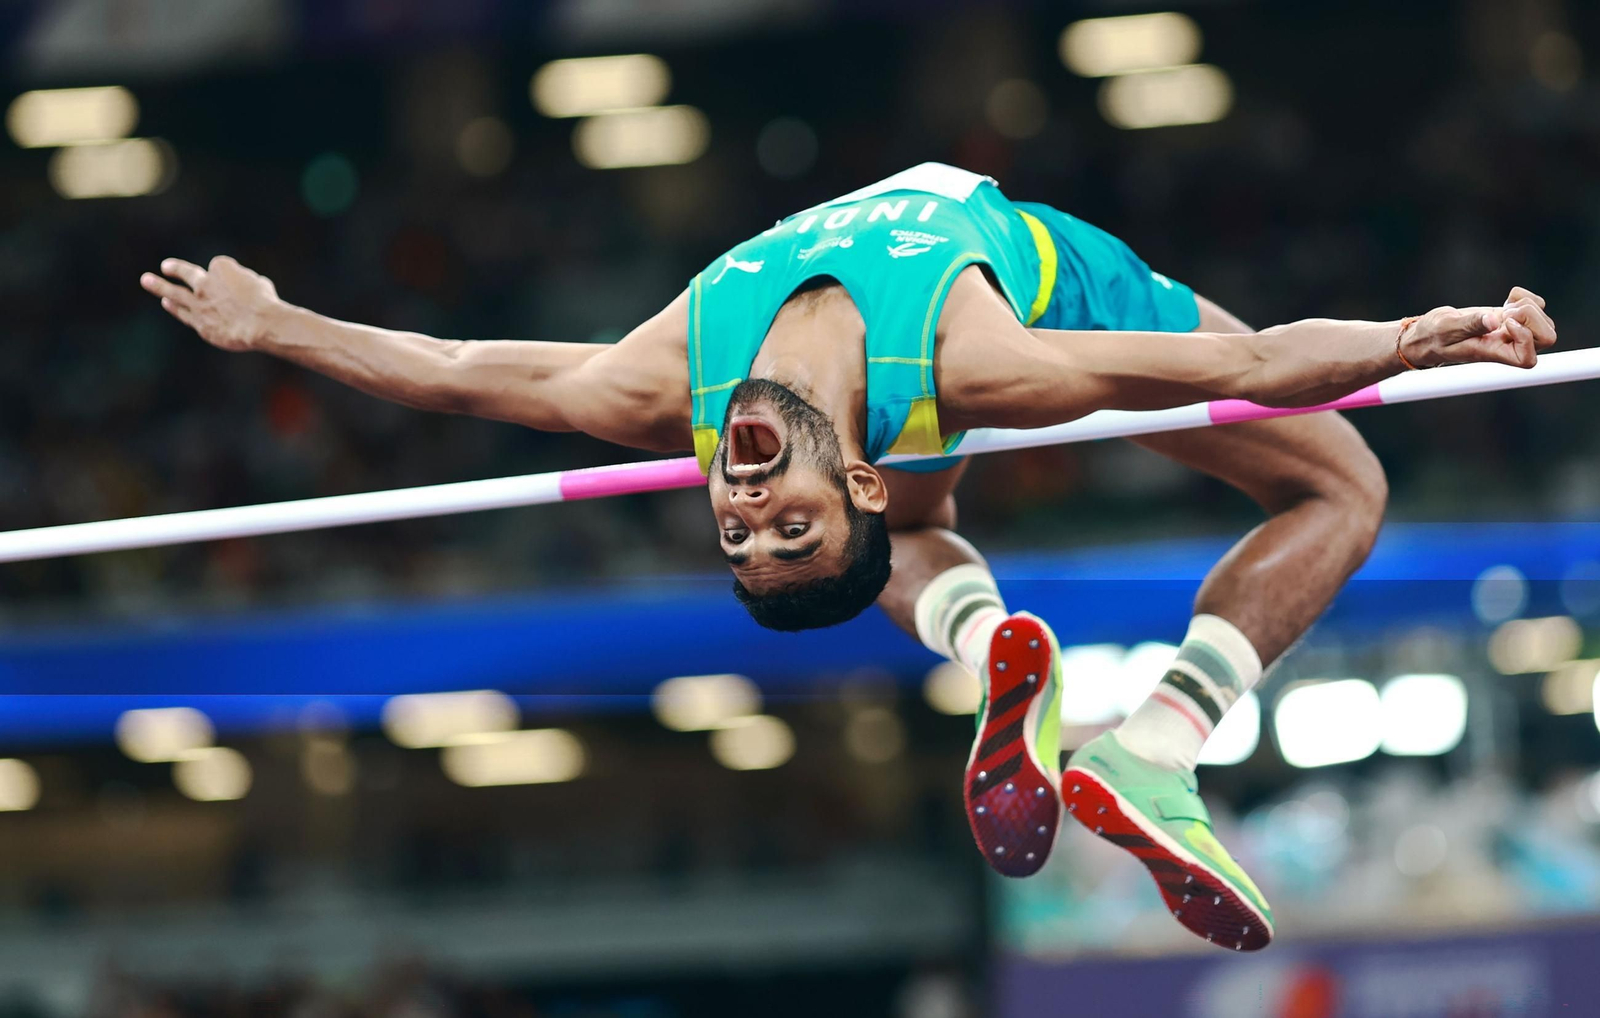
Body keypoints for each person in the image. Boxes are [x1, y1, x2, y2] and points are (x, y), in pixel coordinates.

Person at [140, 162, 1555, 950]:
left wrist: (282, 327)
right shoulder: (984, 361)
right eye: (788, 527)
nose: (750, 506)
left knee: (919, 534)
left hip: (905, 436)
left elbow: (454, 367)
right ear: (851, 480)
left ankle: (997, 651)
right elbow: (1244, 366)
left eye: (739, 530)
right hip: (1065, 284)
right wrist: (1408, 338)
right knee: (1343, 486)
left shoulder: (670, 384)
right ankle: (1162, 743)